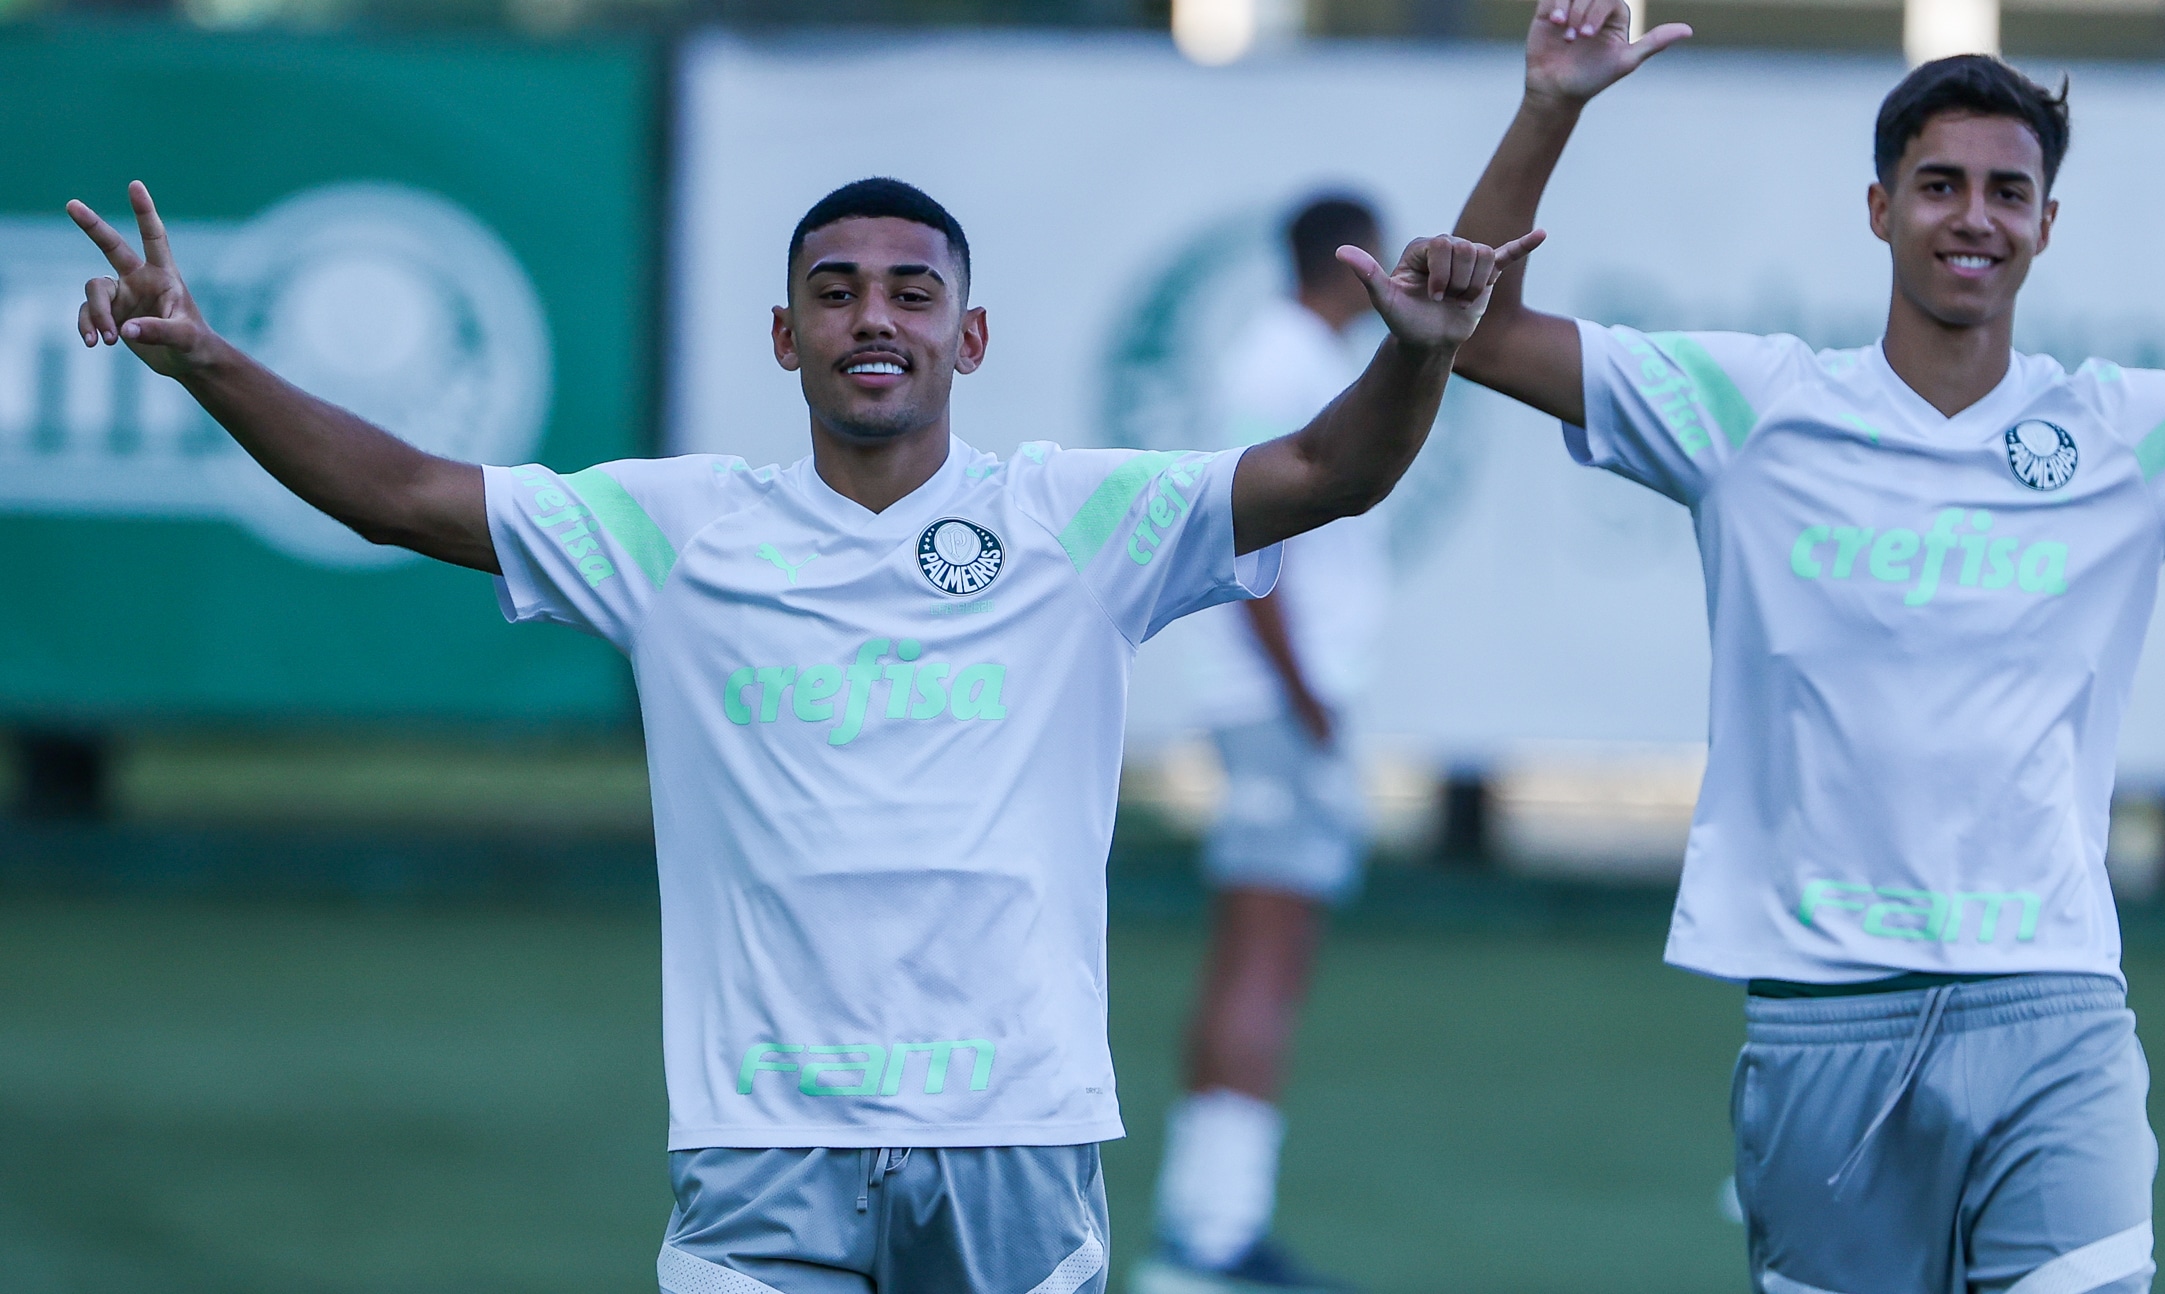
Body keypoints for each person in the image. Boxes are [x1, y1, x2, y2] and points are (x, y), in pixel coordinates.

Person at [66, 174, 1540, 1294]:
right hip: (762, 1144)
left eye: (910, 292)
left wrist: (1418, 356)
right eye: (834, 294)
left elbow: (1328, 469)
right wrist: (209, 362)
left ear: (968, 334)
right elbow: (404, 493)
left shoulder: (1079, 516)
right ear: (785, 335)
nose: (872, 319)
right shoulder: (676, 528)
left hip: (1015, 1135)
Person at [1447, 0, 2165, 1294]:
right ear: (1879, 209)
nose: (1973, 216)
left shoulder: (2124, 431)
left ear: (2047, 223)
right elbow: (1474, 325)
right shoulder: (1751, 409)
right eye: (1939, 185)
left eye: (2007, 190)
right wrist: (1548, 106)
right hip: (1824, 1014)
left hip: (2053, 1005)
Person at [1136, 196, 1392, 1294]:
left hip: (1284, 702)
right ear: (1352, 259)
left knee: (1270, 953)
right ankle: (1210, 1237)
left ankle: (1211, 1223)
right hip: (1277, 704)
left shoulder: (1297, 357)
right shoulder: (1282, 363)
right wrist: (1304, 696)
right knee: (1261, 953)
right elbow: (1251, 542)